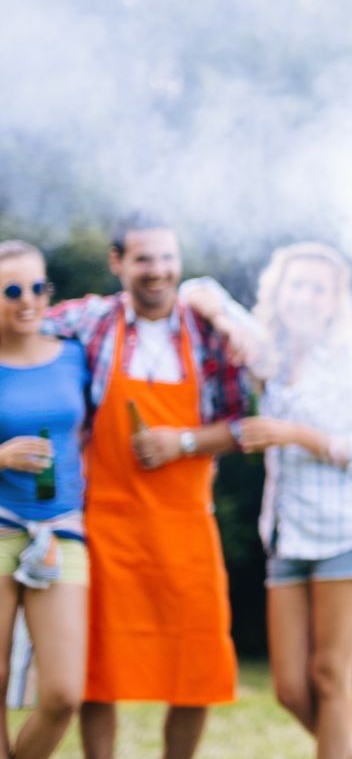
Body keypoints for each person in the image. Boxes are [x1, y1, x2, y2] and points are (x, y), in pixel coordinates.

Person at [42, 213, 250, 759]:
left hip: (186, 523)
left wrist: (182, 442)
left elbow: (242, 425)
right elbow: (22, 322)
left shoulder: (207, 330)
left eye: (167, 258)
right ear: (118, 263)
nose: (157, 271)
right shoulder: (91, 321)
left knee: (195, 665)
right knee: (99, 670)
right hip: (106, 521)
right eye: (143, 259)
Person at [235, 242, 352, 759]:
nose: (304, 297)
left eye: (317, 289)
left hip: (350, 535)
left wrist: (298, 434)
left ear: (334, 302)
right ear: (277, 293)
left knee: (329, 675)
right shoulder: (270, 361)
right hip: (288, 535)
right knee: (290, 689)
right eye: (295, 285)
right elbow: (203, 296)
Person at [0, 240, 90, 759]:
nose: (28, 299)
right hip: (0, 525)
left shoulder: (73, 356)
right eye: (12, 290)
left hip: (61, 531)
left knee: (62, 694)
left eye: (38, 287)